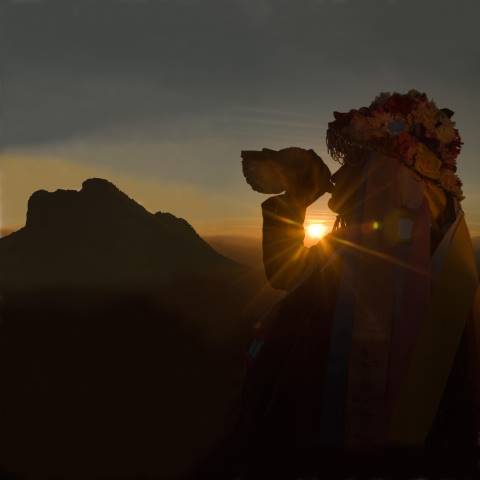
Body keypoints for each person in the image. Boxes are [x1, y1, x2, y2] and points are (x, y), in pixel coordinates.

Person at [234, 90, 480, 478]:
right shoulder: (367, 244)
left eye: (355, 162)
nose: (337, 176)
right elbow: (288, 275)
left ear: (389, 177)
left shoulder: (410, 260)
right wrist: (294, 199)